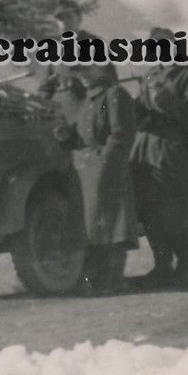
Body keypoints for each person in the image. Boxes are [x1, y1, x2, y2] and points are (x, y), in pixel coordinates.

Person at [130, 27, 188, 287]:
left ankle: (186, 264)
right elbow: (143, 108)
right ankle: (162, 263)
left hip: (175, 148)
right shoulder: (150, 74)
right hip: (146, 148)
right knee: (151, 208)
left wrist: (164, 101)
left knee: (178, 207)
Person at [65, 63, 139, 293]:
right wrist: (66, 138)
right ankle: (93, 280)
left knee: (114, 225)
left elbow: (121, 136)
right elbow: (83, 137)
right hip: (88, 172)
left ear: (102, 67)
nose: (82, 75)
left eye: (86, 68)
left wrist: (104, 162)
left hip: (110, 171)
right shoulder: (87, 100)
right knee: (92, 228)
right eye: (78, 71)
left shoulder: (115, 94)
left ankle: (113, 279)